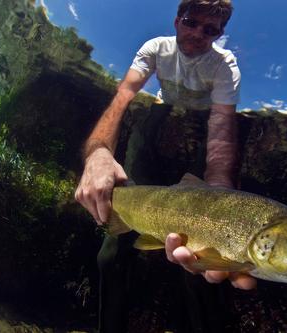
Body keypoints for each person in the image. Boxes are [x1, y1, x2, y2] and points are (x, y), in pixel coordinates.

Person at [75, 0, 256, 331]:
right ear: (177, 21)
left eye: (210, 29)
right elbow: (123, 98)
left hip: (203, 119)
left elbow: (219, 132)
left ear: (220, 34)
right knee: (114, 251)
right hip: (163, 107)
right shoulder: (155, 48)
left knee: (202, 266)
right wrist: (99, 152)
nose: (198, 33)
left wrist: (219, 197)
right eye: (191, 22)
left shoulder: (225, 66)